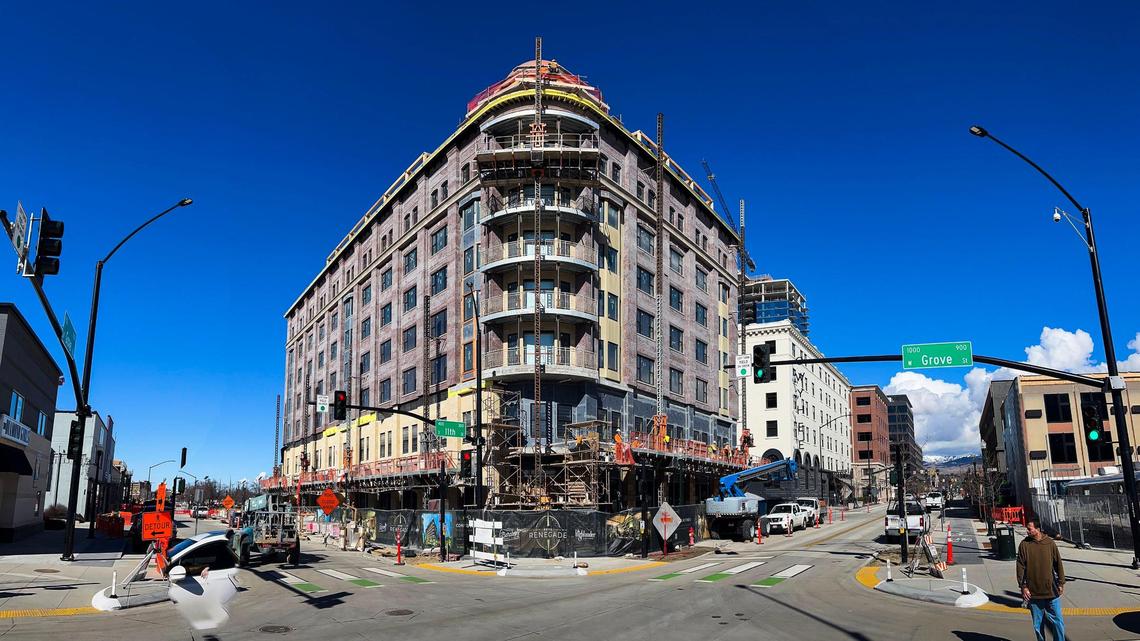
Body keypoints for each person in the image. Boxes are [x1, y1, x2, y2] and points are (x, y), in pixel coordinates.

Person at [1016, 517, 1066, 641]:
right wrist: (1023, 587)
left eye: (1029, 529)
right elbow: (1020, 567)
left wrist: (1061, 583)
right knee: (1038, 625)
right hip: (1033, 593)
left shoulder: (1049, 543)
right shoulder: (1024, 544)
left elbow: (1058, 564)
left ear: (1037, 529)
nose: (1027, 531)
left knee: (1058, 622)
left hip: (1051, 591)